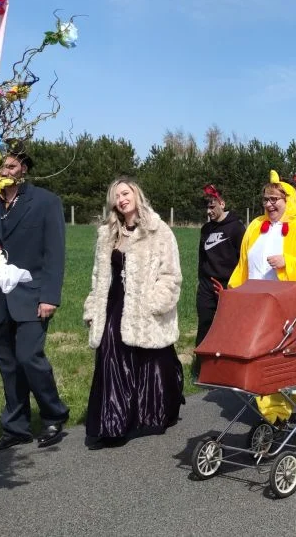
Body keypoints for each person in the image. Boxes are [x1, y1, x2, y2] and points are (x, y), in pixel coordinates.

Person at [0, 149, 71, 451]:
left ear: (24, 169)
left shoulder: (45, 202)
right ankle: (16, 427)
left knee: (29, 357)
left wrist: (49, 297)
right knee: (7, 363)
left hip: (32, 295)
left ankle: (54, 415)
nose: (5, 171)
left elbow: (55, 252)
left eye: (11, 166)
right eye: (1, 166)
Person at [81, 179, 184, 449]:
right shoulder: (107, 233)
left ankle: (156, 413)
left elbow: (171, 274)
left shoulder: (158, 230)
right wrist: (93, 306)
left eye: (125, 193)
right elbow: (98, 276)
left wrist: (154, 303)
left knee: (154, 359)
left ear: (136, 195)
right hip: (113, 304)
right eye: (116, 196)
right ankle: (112, 425)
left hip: (143, 304)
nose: (121, 199)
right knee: (111, 357)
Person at [228, 171, 296, 317]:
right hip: (253, 306)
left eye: (274, 199)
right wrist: (234, 292)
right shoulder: (255, 226)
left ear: (287, 200)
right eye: (266, 199)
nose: (268, 204)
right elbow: (243, 266)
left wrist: (288, 263)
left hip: (286, 310)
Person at [194, 185, 245, 368]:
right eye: (207, 207)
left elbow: (243, 259)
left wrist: (237, 287)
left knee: (229, 327)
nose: (209, 211)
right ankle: (201, 367)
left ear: (222, 204)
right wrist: (201, 281)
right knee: (205, 325)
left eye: (212, 206)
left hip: (228, 286)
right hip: (207, 286)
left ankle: (228, 365)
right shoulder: (206, 229)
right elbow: (202, 258)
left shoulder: (237, 228)